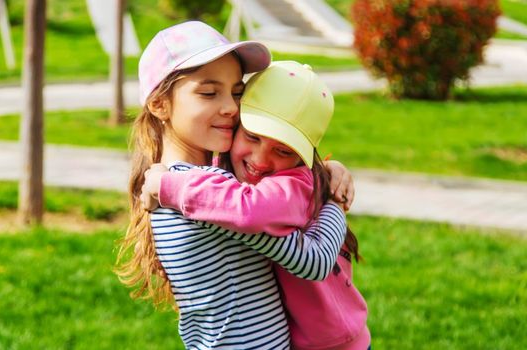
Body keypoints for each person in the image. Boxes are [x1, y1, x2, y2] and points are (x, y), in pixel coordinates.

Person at [116, 21, 351, 349]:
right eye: (209, 92)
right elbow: (313, 259)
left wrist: (324, 172)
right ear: (159, 104)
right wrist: (335, 204)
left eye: (237, 92)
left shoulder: (184, 182)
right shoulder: (204, 198)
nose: (230, 108)